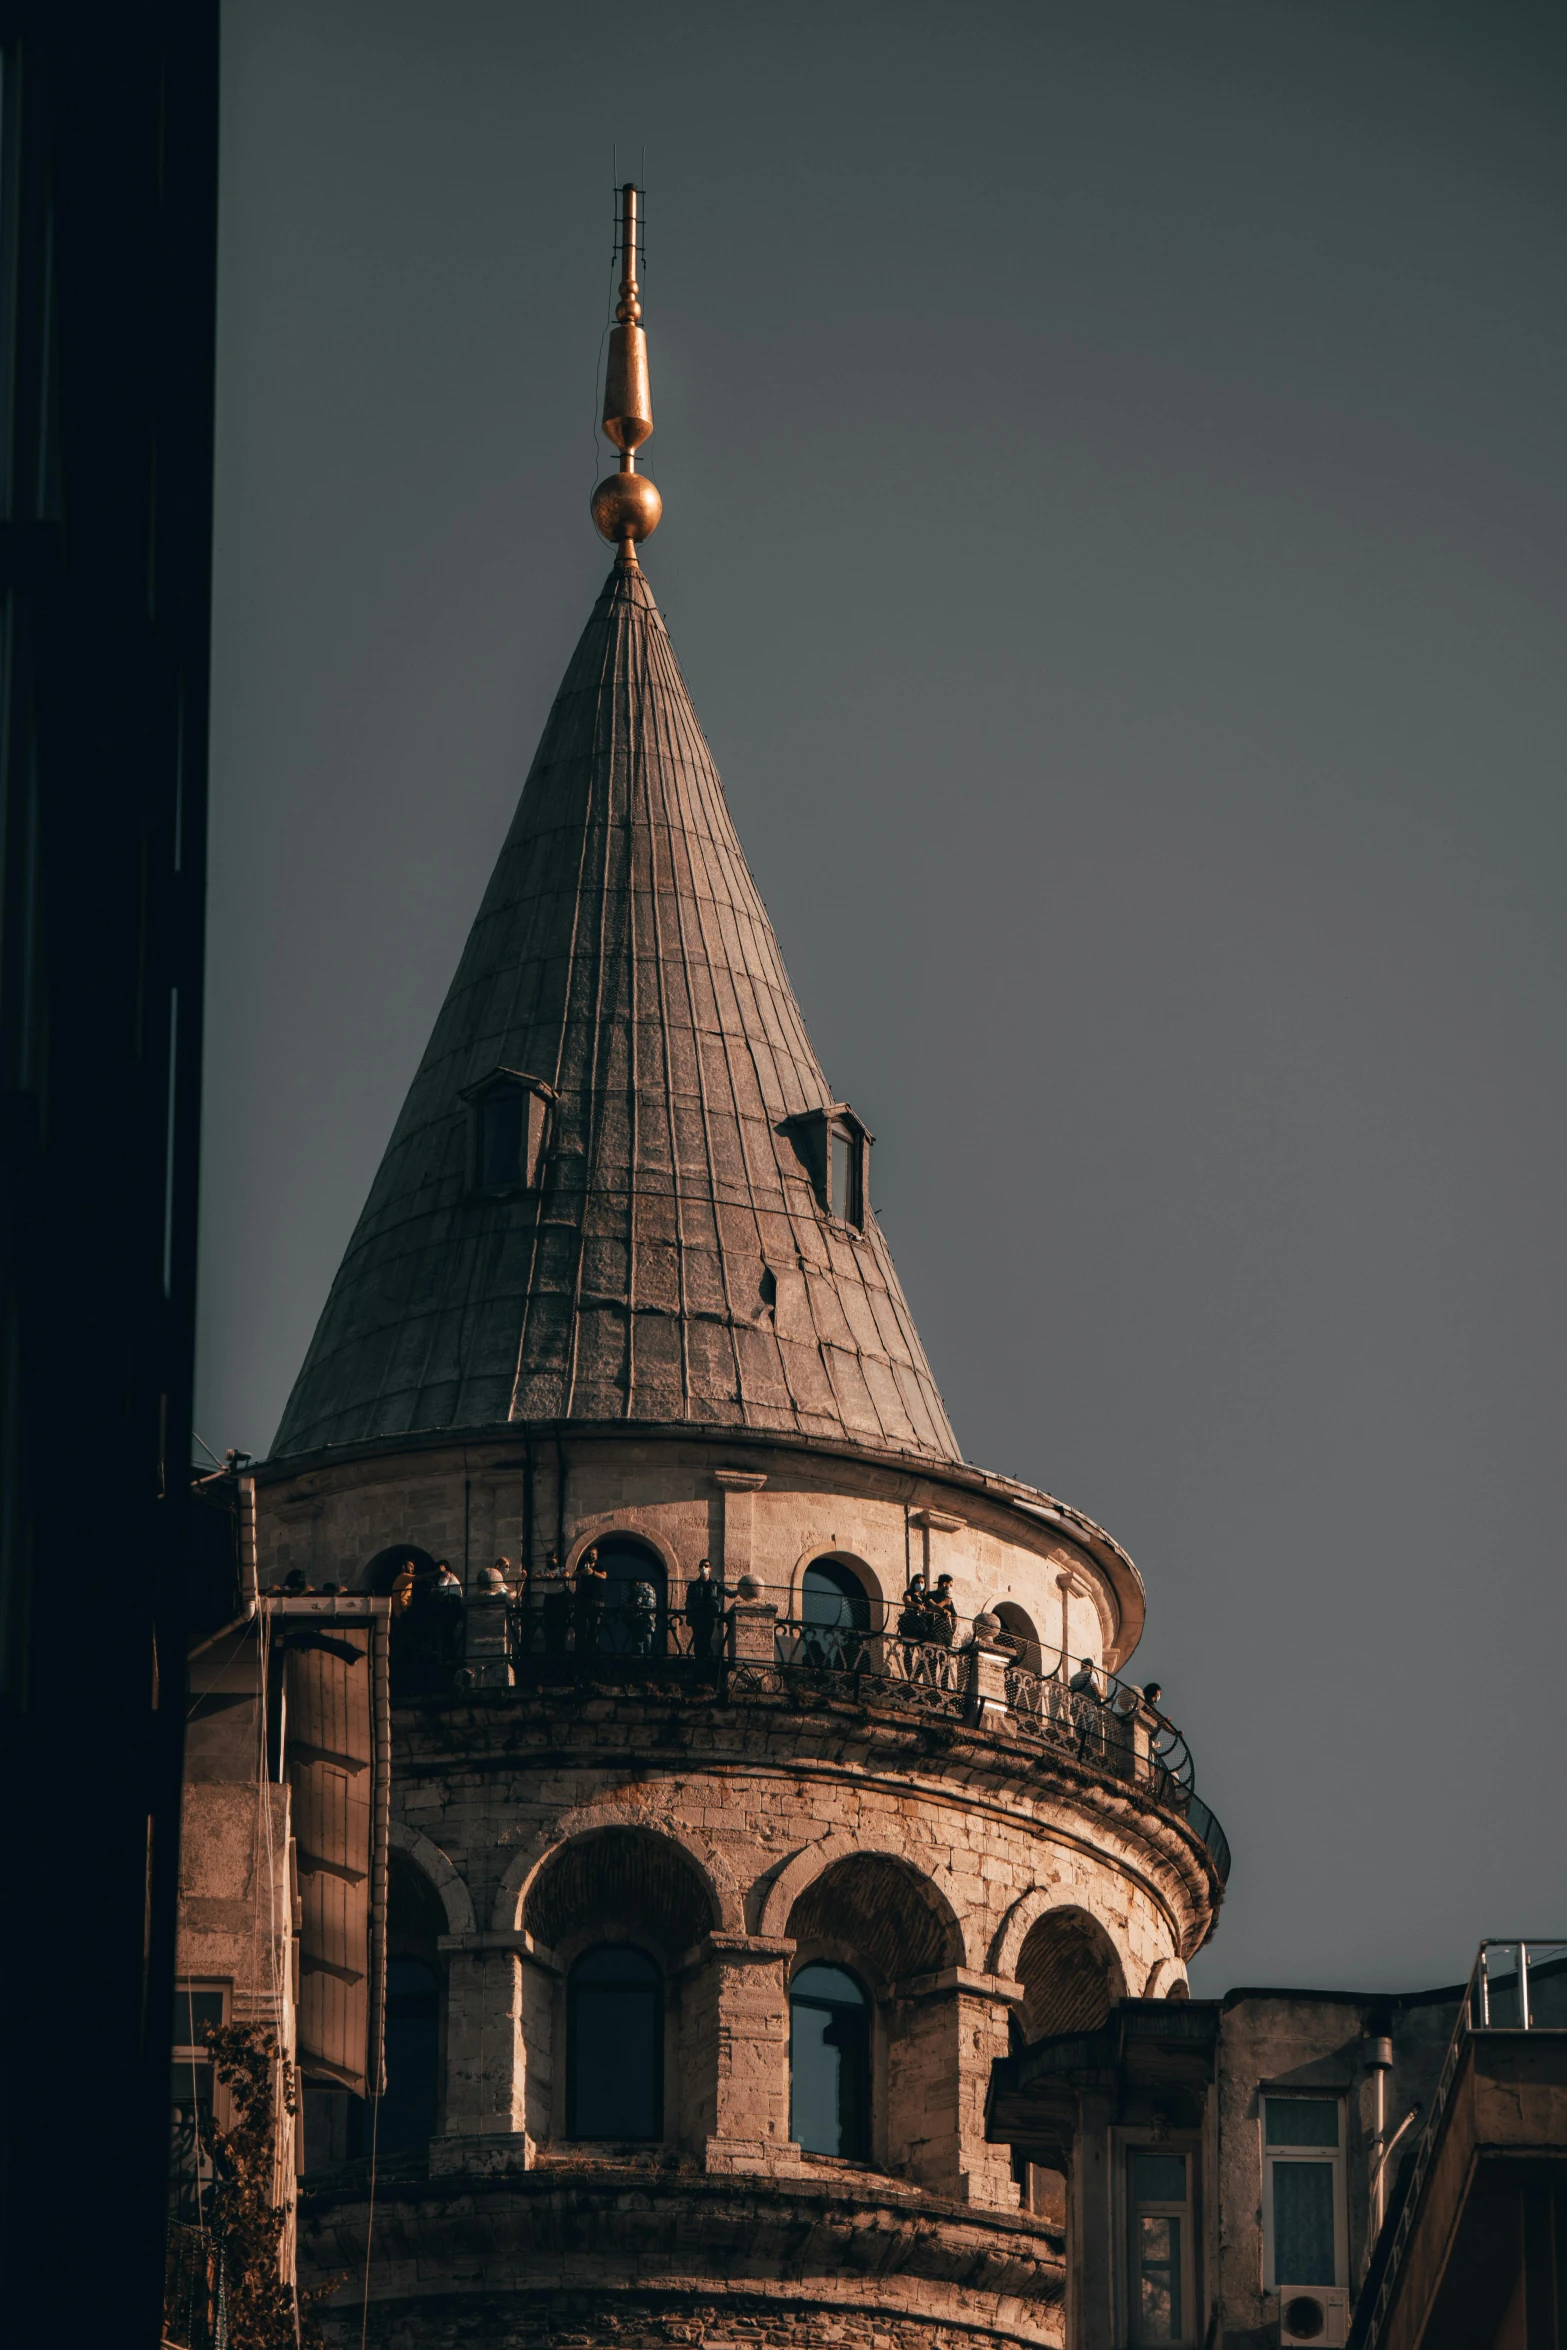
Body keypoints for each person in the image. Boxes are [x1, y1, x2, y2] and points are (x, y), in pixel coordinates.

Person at [685, 1559, 724, 1659]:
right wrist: (689, 1616)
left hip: (708, 1618)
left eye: (706, 1566)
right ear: (698, 1568)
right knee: (698, 1643)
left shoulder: (715, 1584)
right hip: (697, 1618)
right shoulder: (693, 1585)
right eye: (701, 1566)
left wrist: (741, 1590)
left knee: (706, 1641)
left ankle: (705, 1663)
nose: (703, 1568)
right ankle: (700, 1663)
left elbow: (729, 1593)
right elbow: (688, 1602)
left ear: (710, 1569)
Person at [572, 1546, 607, 1655]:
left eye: (593, 1554)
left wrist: (592, 1572)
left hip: (597, 1601)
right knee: (582, 1626)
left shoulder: (600, 1567)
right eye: (589, 1554)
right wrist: (583, 1571)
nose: (591, 1556)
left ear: (596, 1556)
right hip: (583, 1601)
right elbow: (574, 1576)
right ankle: (583, 1650)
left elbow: (604, 1576)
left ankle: (593, 1649)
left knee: (594, 1627)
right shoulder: (581, 1567)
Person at [624, 1576, 657, 1657]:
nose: (632, 1589)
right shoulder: (652, 1589)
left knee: (639, 1643)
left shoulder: (641, 1587)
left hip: (641, 1619)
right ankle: (648, 1660)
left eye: (631, 1587)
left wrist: (627, 1606)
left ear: (635, 1583)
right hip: (651, 1619)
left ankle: (639, 1662)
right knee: (648, 1643)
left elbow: (637, 1602)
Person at [927, 1573, 957, 1648]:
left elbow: (955, 1617)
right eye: (950, 1585)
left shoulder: (949, 1599)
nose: (951, 1588)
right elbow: (931, 1607)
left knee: (945, 1656)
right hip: (934, 1629)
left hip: (947, 1632)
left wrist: (952, 1631)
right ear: (944, 1584)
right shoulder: (930, 1594)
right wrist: (945, 1603)